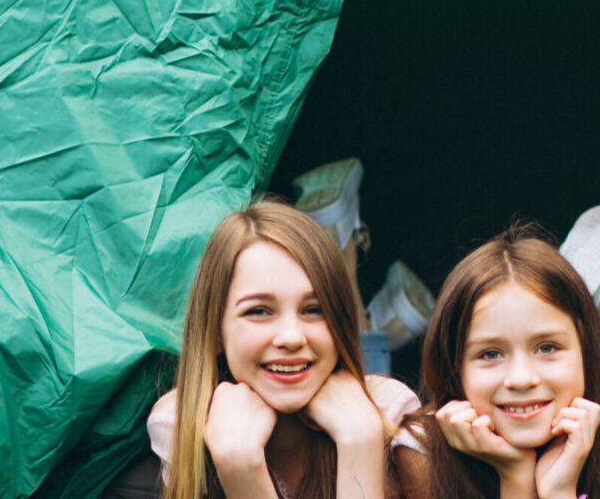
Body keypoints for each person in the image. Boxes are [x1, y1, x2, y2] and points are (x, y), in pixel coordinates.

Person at [148, 200, 419, 499]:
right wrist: (241, 464)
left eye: (314, 309)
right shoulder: (183, 421)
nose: (291, 338)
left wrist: (360, 442)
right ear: (214, 332)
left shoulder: (392, 413)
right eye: (259, 311)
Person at [394, 224, 600, 499]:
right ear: (454, 366)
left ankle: (589, 311)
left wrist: (559, 492)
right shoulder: (423, 450)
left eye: (547, 347)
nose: (521, 378)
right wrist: (516, 476)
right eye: (490, 354)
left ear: (586, 352)